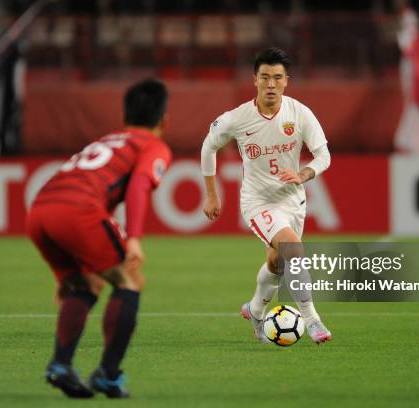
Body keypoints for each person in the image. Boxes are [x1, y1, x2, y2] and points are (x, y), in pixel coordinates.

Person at [26, 79, 171, 399]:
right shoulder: (153, 145)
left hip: (39, 211)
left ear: (125, 115)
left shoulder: (108, 139)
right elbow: (138, 187)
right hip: (78, 210)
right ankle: (108, 374)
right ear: (163, 120)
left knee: (85, 283)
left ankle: (61, 365)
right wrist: (133, 237)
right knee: (129, 279)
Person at [201, 47, 333, 344]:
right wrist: (212, 194)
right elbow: (208, 146)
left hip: (293, 200)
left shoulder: (300, 113)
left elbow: (323, 155)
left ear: (286, 81)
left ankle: (256, 309)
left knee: (278, 262)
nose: (271, 84)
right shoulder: (236, 119)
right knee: (294, 249)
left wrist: (304, 174)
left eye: (277, 77)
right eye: (265, 77)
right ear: (255, 80)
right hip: (258, 202)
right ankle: (312, 319)